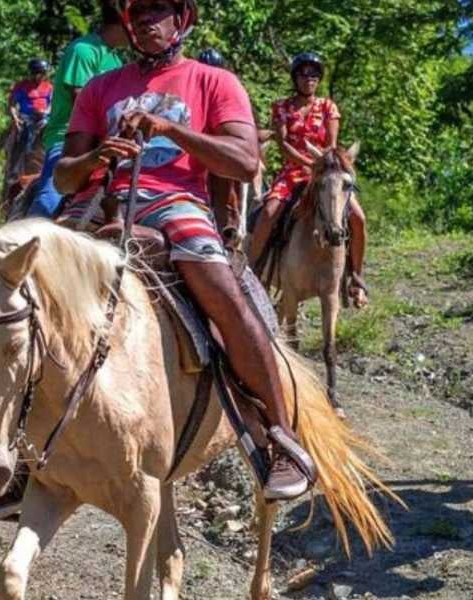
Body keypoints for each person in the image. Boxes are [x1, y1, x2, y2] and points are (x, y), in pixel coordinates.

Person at [52, 0, 317, 502]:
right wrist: (97, 155)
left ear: (182, 21)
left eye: (160, 10)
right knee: (21, 277)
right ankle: (14, 446)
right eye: (140, 12)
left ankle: (281, 437)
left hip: (177, 202)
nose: (148, 19)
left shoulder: (213, 82)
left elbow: (243, 161)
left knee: (216, 282)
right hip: (101, 201)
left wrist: (171, 130)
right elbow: (64, 175)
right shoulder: (100, 88)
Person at [248, 52, 368, 307]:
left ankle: (356, 279)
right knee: (268, 213)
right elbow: (283, 145)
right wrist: (308, 164)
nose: (309, 79)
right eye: (303, 74)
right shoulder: (282, 106)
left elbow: (331, 145)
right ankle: (252, 272)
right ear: (295, 78)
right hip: (292, 173)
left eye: (314, 74)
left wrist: (321, 167)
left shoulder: (328, 107)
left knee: (358, 218)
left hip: (326, 174)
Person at [24, 2, 128, 218]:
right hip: (69, 138)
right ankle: (26, 240)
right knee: (51, 196)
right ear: (123, 20)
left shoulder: (117, 59)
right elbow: (81, 99)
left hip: (105, 140)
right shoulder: (84, 50)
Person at [7, 59, 53, 158]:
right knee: (24, 134)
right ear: (34, 73)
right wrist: (15, 119)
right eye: (41, 73)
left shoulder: (49, 87)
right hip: (26, 118)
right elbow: (12, 104)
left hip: (44, 118)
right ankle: (14, 164)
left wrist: (46, 111)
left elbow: (52, 103)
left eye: (44, 74)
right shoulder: (21, 86)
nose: (43, 76)